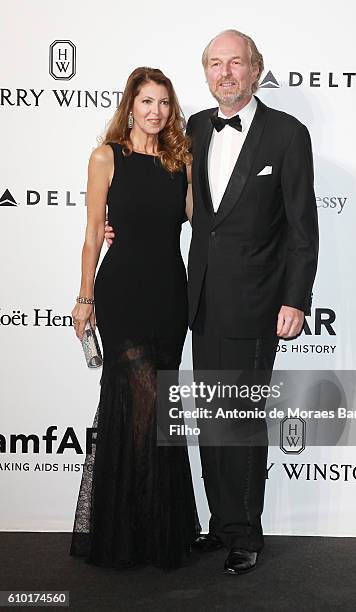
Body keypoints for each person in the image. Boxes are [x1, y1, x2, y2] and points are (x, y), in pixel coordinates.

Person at [106, 30, 319, 575]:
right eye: (216, 64)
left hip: (257, 302)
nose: (226, 73)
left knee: (241, 418)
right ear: (206, 73)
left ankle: (245, 533)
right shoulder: (194, 128)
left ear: (255, 69)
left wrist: (295, 299)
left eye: (236, 63)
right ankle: (220, 526)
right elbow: (154, 191)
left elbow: (302, 228)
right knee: (210, 417)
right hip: (195, 300)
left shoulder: (288, 134)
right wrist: (120, 226)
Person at [70, 66, 200, 570]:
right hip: (122, 291)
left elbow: (200, 216)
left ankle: (154, 530)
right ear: (130, 104)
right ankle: (129, 532)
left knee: (159, 407)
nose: (156, 112)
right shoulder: (106, 157)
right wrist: (85, 299)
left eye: (164, 103)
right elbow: (90, 235)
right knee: (136, 403)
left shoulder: (180, 159)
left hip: (170, 294)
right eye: (146, 101)